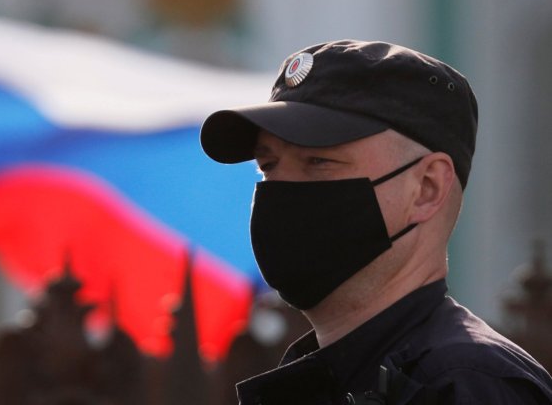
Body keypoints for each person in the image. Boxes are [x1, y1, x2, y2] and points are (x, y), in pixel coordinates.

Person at [200, 39, 552, 404]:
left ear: (426, 188)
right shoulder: (329, 381)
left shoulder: (466, 385)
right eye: (268, 166)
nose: (281, 190)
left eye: (318, 162)